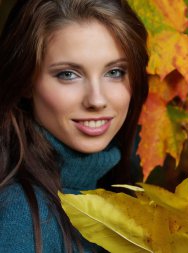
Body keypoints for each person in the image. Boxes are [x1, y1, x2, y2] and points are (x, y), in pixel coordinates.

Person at [0, 0, 149, 252]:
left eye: (114, 72)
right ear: (26, 82)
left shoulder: (117, 192)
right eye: (68, 74)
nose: (97, 100)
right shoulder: (23, 217)